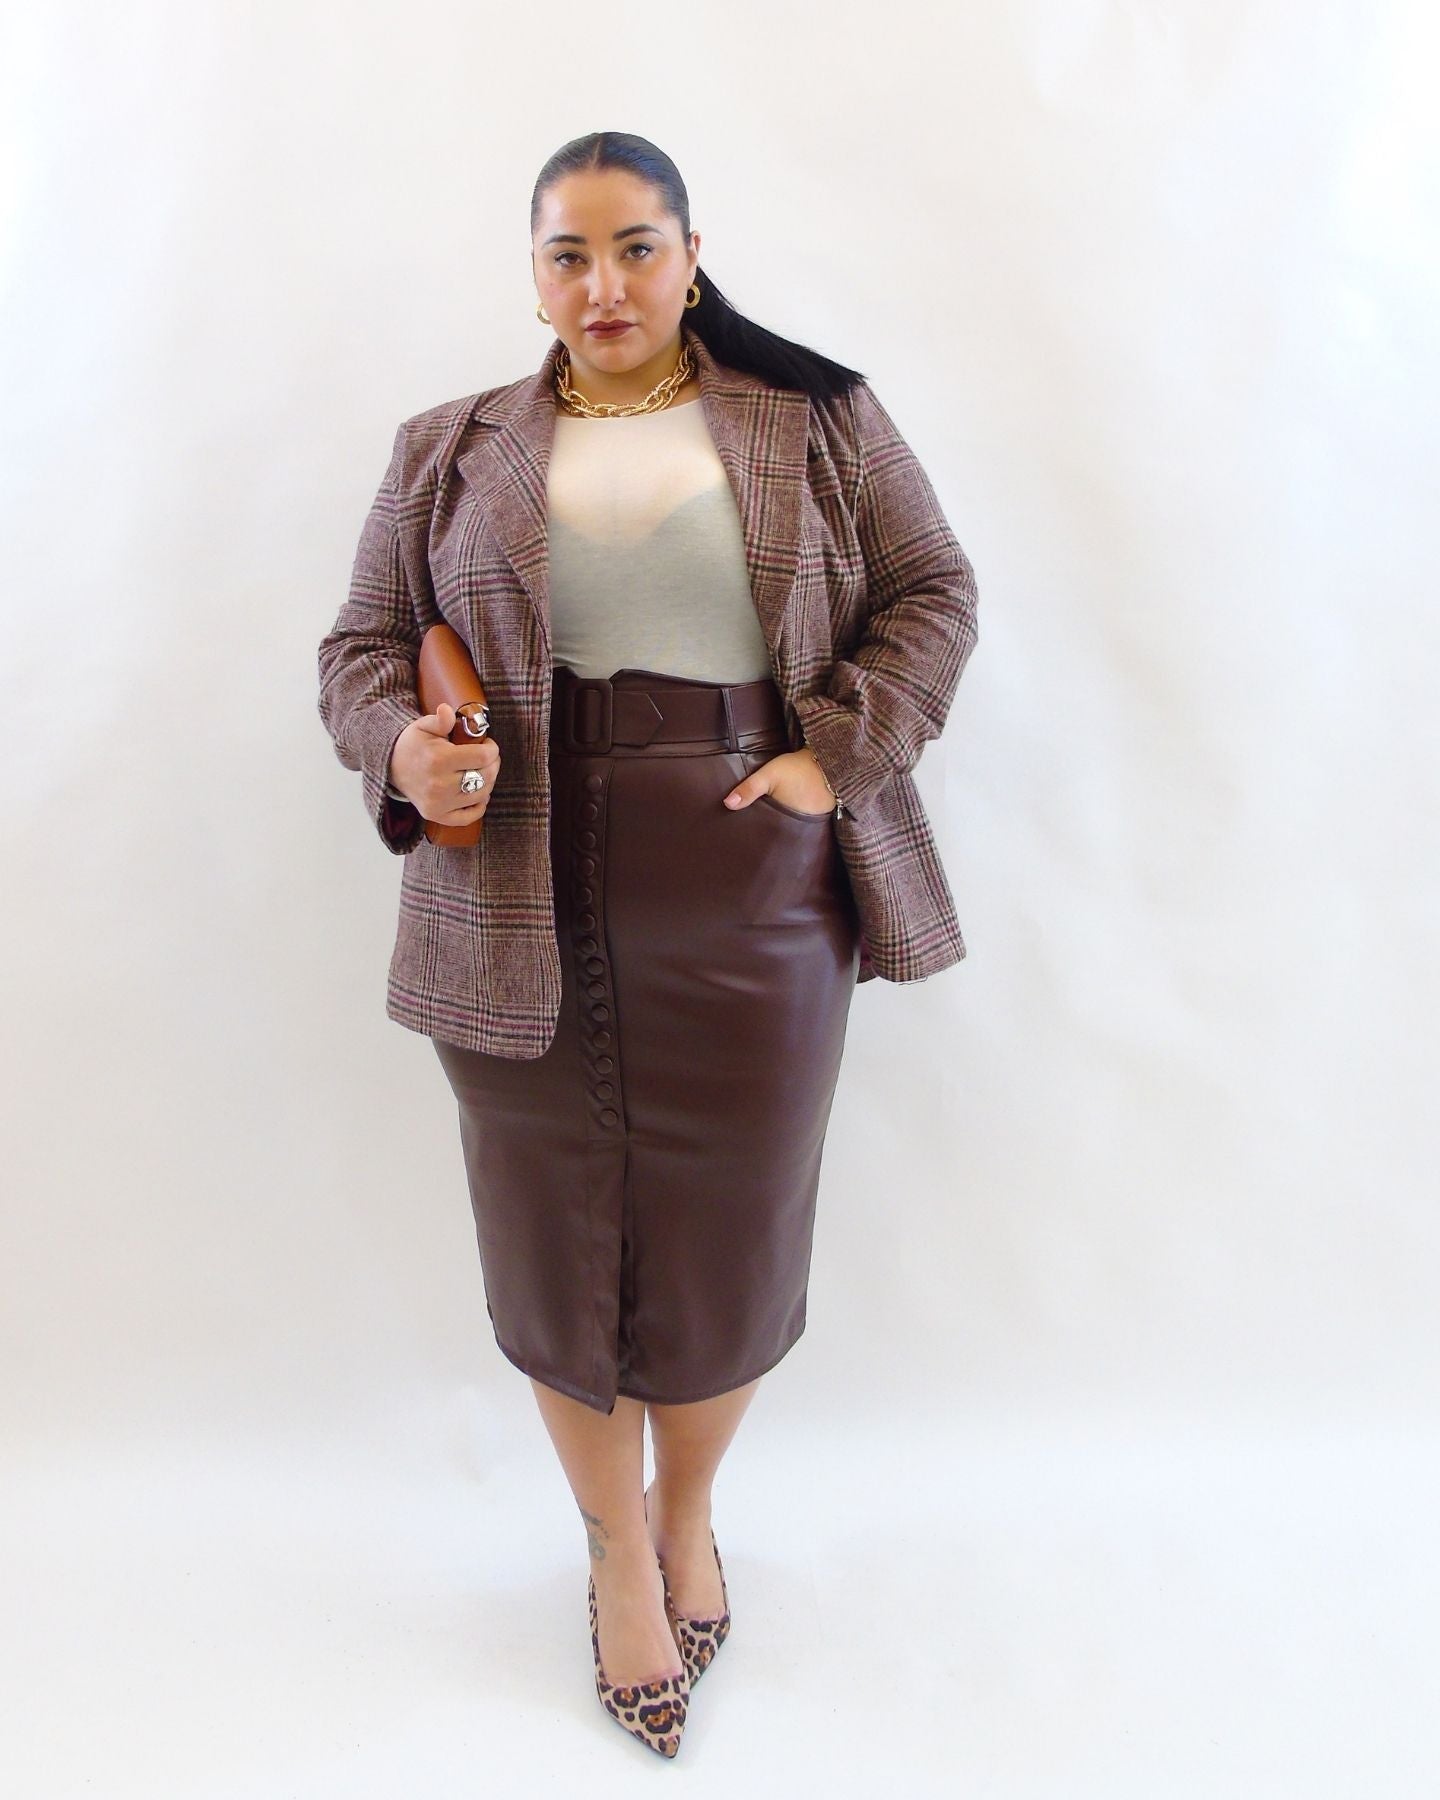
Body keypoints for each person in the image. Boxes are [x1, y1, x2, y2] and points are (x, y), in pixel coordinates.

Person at [316, 129, 979, 1758]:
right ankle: (616, 1554)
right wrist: (401, 747)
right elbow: (359, 649)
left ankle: (688, 1513)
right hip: (514, 883)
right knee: (551, 1233)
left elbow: (934, 592)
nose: (601, 284)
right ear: (533, 273)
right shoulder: (445, 447)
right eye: (568, 254)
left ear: (690, 254)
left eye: (634, 247)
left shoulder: (816, 414)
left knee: (731, 1231)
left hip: (752, 877)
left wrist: (833, 755)